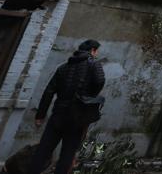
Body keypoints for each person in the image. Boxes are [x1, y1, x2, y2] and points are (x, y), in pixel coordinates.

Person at [28, 39, 105, 174]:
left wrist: (40, 115)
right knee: (67, 154)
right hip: (77, 117)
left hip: (58, 114)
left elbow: (49, 92)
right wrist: (88, 96)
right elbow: (100, 81)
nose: (96, 54)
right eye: (96, 51)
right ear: (92, 50)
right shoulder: (94, 65)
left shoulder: (64, 67)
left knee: (43, 150)